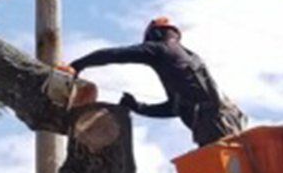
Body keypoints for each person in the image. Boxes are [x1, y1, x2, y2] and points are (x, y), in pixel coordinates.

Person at [70, 18, 245, 147]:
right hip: (227, 122)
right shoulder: (188, 58)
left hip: (213, 125)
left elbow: (116, 54)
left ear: (156, 34)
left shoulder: (161, 49)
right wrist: (139, 106)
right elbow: (174, 108)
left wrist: (77, 65)